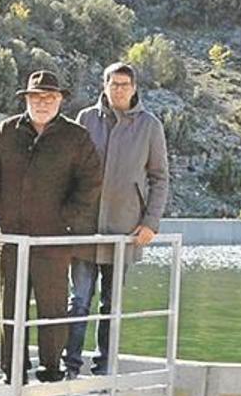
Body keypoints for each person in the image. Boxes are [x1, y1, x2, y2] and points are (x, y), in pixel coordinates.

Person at [0, 70, 102, 384]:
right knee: (11, 308)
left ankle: (51, 371)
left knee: (53, 310)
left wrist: (66, 221)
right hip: (10, 239)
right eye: (36, 97)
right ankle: (12, 372)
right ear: (26, 99)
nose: (43, 102)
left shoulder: (75, 137)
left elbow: (90, 183)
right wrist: (1, 212)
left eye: (50, 97)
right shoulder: (7, 131)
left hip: (53, 241)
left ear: (61, 100)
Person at [63, 62, 169, 379]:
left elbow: (160, 178)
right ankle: (70, 366)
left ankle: (105, 367)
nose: (119, 89)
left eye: (125, 84)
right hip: (84, 229)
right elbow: (69, 173)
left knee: (111, 305)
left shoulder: (149, 126)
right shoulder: (85, 119)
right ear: (105, 85)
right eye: (114, 83)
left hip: (124, 231)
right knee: (78, 300)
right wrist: (67, 216)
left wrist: (150, 222)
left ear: (134, 88)